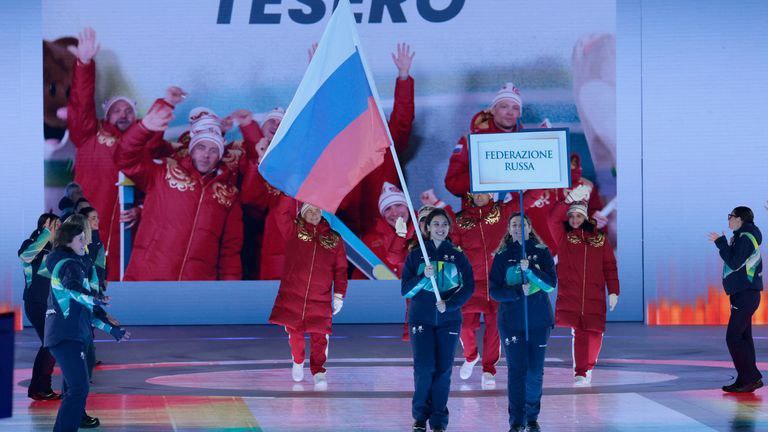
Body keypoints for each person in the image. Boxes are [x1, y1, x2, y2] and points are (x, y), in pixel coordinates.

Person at [116, 97, 244, 280]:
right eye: (201, 147)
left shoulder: (228, 194)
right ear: (191, 150)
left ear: (220, 155)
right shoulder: (164, 172)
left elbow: (230, 252)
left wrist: (229, 291)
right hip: (148, 279)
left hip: (196, 288)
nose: (206, 155)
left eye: (213, 150)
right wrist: (144, 128)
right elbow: (125, 158)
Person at [65, 28, 145, 281]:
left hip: (125, 236)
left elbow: (156, 188)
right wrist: (84, 64)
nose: (123, 114)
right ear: (106, 115)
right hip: (86, 229)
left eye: (128, 111)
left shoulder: (143, 146)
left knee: (120, 290)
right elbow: (81, 105)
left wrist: (140, 209)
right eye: (116, 110)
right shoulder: (89, 135)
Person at [44, 221, 128, 431]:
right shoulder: (69, 265)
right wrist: (94, 298)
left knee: (75, 388)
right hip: (65, 336)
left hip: (73, 335)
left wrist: (111, 329)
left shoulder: (77, 265)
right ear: (68, 242)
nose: (84, 242)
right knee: (79, 388)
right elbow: (72, 288)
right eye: (80, 239)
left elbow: (85, 311)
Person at [401, 208, 474, 432]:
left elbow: (469, 287)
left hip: (449, 321)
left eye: (444, 224)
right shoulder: (416, 256)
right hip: (421, 320)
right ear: (428, 228)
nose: (440, 228)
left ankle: (439, 420)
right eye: (436, 224)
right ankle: (420, 417)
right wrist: (423, 276)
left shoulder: (458, 256)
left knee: (443, 370)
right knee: (424, 368)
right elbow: (406, 290)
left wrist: (450, 305)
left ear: (449, 228)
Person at [268, 203, 348, 388]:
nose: (314, 214)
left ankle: (318, 371)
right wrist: (290, 192)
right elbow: (280, 212)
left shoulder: (334, 239)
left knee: (320, 336)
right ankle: (297, 361)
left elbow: (341, 269)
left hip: (320, 298)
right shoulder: (294, 231)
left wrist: (339, 294)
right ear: (302, 214)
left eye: (317, 210)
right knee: (295, 336)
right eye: (309, 211)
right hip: (293, 296)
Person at [489, 213, 556, 432]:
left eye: (522, 224)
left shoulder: (542, 252)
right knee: (517, 371)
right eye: (514, 225)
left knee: (535, 371)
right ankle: (517, 421)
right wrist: (517, 291)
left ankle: (532, 417)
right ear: (509, 230)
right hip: (511, 322)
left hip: (539, 321)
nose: (518, 227)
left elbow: (550, 285)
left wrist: (532, 270)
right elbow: (494, 291)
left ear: (529, 227)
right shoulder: (502, 256)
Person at [548, 200, 619, 386]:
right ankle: (580, 371)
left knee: (595, 334)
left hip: (594, 296)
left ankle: (588, 366)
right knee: (579, 333)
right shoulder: (564, 237)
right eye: (571, 216)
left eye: (578, 216)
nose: (574, 219)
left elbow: (609, 267)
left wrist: (613, 291)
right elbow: (553, 219)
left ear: (586, 217)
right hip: (571, 295)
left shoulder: (600, 240)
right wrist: (568, 201)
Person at [452, 193, 519, 387]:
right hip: (471, 283)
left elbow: (529, 199)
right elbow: (453, 248)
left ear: (490, 193)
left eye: (482, 192)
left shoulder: (502, 211)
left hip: (497, 282)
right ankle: (471, 355)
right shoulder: (460, 219)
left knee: (494, 328)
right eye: (475, 192)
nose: (479, 196)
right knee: (464, 325)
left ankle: (489, 369)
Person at [710, 206, 763, 393]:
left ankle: (752, 378)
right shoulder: (744, 236)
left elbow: (734, 262)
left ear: (739, 219)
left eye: (730, 216)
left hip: (745, 293)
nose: (729, 219)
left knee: (733, 337)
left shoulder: (745, 238)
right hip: (744, 293)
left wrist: (721, 243)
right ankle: (745, 379)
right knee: (743, 337)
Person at [19, 212, 61, 401]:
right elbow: (25, 257)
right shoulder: (31, 244)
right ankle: (39, 388)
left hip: (51, 304)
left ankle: (41, 387)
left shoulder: (56, 248)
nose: (59, 228)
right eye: (55, 225)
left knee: (51, 344)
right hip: (36, 302)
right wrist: (45, 235)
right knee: (50, 343)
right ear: (45, 226)